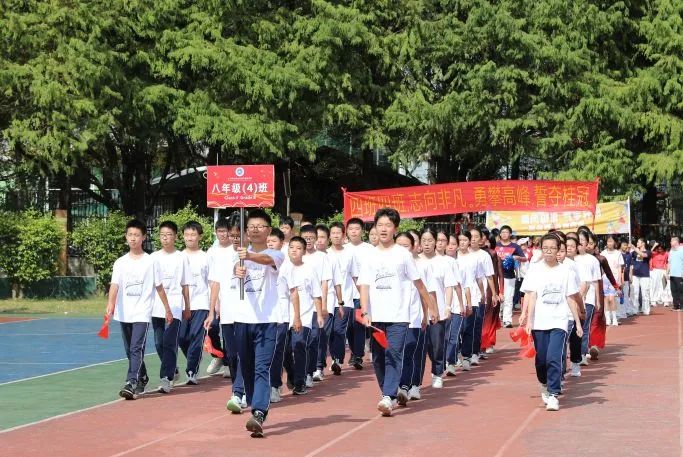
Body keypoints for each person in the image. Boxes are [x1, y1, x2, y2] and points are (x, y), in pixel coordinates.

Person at [358, 208, 436, 417]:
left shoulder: (403, 255)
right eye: (380, 225)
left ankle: (387, 396)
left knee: (393, 353)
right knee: (378, 358)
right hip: (376, 316)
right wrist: (365, 312)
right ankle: (388, 393)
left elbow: (419, 284)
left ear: (396, 228)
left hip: (399, 316)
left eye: (388, 225)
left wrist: (431, 308)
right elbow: (364, 285)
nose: (383, 229)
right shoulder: (369, 255)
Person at [228, 209, 285, 438]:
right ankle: (254, 403)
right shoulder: (239, 256)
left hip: (266, 321)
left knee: (262, 367)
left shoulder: (276, 254)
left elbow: (268, 261)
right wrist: (237, 270)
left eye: (260, 226)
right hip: (242, 319)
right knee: (246, 366)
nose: (255, 229)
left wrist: (249, 256)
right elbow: (234, 278)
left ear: (269, 230)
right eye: (251, 226)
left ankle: (259, 412)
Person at [107, 219, 170, 400]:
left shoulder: (151, 261)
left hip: (142, 311)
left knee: (136, 347)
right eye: (130, 235)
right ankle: (142, 376)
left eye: (136, 235)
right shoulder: (120, 262)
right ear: (126, 237)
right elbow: (114, 285)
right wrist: (111, 303)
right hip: (124, 311)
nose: (133, 238)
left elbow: (159, 287)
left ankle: (131, 382)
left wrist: (167, 309)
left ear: (143, 237)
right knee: (129, 349)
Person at [524, 234, 583, 411]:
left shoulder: (566, 272)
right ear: (541, 249)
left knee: (554, 357)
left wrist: (578, 323)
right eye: (545, 248)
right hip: (540, 322)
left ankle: (553, 394)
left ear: (558, 250)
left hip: (559, 321)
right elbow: (532, 295)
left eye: (552, 248)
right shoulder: (535, 270)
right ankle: (544, 383)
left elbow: (570, 297)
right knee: (542, 359)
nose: (549, 251)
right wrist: (529, 320)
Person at [151, 221, 191, 394]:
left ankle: (166, 378)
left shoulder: (181, 257)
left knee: (169, 342)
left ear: (175, 237)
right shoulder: (153, 257)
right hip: (156, 306)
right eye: (162, 235)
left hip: (174, 305)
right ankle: (173, 369)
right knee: (159, 342)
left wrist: (187, 307)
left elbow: (185, 284)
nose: (165, 238)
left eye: (168, 235)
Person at [418, 228, 458, 389]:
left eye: (430, 240)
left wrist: (447, 306)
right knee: (420, 347)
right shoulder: (415, 261)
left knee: (436, 345)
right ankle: (415, 381)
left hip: (438, 310)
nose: (427, 244)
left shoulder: (443, 262)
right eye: (424, 240)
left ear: (435, 242)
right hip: (417, 312)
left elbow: (449, 286)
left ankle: (437, 373)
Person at [396, 232, 432, 403]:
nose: (402, 249)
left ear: (413, 247)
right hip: (392, 317)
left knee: (410, 351)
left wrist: (426, 314)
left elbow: (424, 292)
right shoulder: (388, 265)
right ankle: (394, 386)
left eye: (405, 246)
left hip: (413, 317)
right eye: (399, 245)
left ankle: (408, 386)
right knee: (394, 353)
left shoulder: (421, 266)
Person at [287, 236, 324, 395]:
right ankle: (292, 374)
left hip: (305, 315)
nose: (294, 251)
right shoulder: (282, 267)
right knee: (285, 350)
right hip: (283, 315)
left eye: (298, 248)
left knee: (299, 345)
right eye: (291, 247)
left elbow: (316, 294)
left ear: (303, 251)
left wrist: (319, 315)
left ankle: (300, 382)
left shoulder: (309, 269)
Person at [205, 216, 240, 377]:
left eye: (227, 232)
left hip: (238, 304)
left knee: (235, 339)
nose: (224, 235)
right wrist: (214, 306)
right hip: (219, 299)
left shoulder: (241, 251)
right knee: (213, 328)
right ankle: (220, 357)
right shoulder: (213, 252)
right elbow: (213, 280)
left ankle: (230, 364)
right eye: (220, 231)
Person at [300, 225, 332, 388]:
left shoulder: (322, 257)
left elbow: (324, 282)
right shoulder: (295, 255)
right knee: (300, 341)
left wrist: (323, 305)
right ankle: (300, 372)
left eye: (311, 237)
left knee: (313, 339)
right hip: (298, 305)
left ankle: (309, 372)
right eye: (305, 237)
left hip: (315, 305)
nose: (308, 240)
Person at [178, 221, 210, 385]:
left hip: (201, 303)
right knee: (181, 337)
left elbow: (212, 281)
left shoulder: (206, 257)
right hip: (181, 304)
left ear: (200, 236)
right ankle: (194, 357)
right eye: (187, 234)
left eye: (193, 234)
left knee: (196, 338)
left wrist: (213, 306)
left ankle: (191, 371)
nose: (190, 238)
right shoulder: (178, 257)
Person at [312, 224, 343, 381]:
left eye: (322, 237)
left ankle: (318, 367)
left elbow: (337, 282)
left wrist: (340, 303)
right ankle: (310, 366)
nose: (319, 240)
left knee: (322, 334)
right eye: (316, 237)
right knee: (312, 336)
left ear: (328, 239)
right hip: (309, 302)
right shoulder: (305, 256)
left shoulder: (332, 258)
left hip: (328, 302)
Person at [327, 222, 358, 374]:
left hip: (345, 299)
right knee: (329, 332)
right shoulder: (325, 254)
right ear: (329, 236)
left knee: (339, 330)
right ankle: (334, 357)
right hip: (327, 300)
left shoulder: (349, 254)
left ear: (343, 235)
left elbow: (355, 276)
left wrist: (362, 297)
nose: (336, 236)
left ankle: (337, 360)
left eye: (338, 233)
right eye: (333, 233)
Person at [345, 218, 374, 369]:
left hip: (361, 294)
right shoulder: (343, 249)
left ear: (362, 231)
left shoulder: (369, 249)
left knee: (358, 325)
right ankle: (354, 351)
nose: (354, 232)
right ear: (347, 231)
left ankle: (358, 355)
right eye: (351, 229)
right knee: (348, 327)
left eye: (357, 229)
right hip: (345, 295)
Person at [445, 232, 474, 375]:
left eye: (453, 244)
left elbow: (466, 286)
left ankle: (450, 363)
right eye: (448, 244)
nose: (450, 246)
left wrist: (467, 304)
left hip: (457, 304)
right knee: (442, 337)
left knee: (454, 335)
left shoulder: (462, 264)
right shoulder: (437, 262)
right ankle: (443, 361)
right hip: (440, 305)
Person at [267, 228, 289, 403]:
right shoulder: (257, 260)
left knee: (277, 350)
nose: (270, 244)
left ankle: (275, 385)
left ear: (281, 243)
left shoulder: (283, 259)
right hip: (263, 315)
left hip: (281, 313)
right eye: (267, 241)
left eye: (273, 241)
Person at [574, 230, 601, 364]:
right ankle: (574, 353)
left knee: (584, 326)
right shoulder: (571, 259)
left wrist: (598, 300)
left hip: (588, 298)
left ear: (587, 243)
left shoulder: (593, 260)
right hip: (573, 298)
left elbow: (595, 281)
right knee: (573, 327)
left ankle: (583, 354)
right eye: (577, 241)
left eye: (582, 240)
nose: (580, 243)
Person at [495, 225, 526, 327]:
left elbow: (524, 258)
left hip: (509, 276)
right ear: (500, 234)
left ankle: (507, 320)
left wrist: (516, 257)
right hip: (496, 276)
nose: (504, 234)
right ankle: (496, 318)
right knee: (497, 298)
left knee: (508, 298)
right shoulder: (496, 245)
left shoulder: (515, 246)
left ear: (510, 234)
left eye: (506, 232)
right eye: (502, 232)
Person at [600, 235, 624, 326]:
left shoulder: (618, 253)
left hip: (614, 278)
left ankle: (614, 318)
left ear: (615, 243)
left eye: (611, 241)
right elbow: (601, 267)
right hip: (605, 278)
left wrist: (619, 280)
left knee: (612, 298)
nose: (609, 243)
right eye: (608, 241)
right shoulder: (603, 253)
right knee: (606, 298)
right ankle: (607, 318)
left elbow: (620, 268)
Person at [630, 237, 652, 315]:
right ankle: (634, 310)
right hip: (635, 275)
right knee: (634, 292)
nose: (637, 243)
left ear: (643, 243)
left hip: (644, 275)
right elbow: (630, 261)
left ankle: (646, 309)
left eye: (638, 242)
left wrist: (634, 248)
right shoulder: (633, 253)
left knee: (645, 292)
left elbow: (643, 255)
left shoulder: (648, 252)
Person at [650, 242, 672, 307]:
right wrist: (654, 245)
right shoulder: (654, 253)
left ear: (663, 248)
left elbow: (669, 262)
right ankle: (653, 301)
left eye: (661, 249)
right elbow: (648, 253)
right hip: (655, 270)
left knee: (664, 286)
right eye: (658, 249)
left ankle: (666, 301)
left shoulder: (666, 254)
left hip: (663, 270)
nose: (660, 250)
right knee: (654, 286)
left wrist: (667, 272)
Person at [620, 239, 634, 317]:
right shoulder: (618, 254)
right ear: (620, 245)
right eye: (624, 245)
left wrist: (631, 276)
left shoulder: (629, 255)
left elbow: (631, 267)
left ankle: (626, 310)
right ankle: (620, 311)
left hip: (626, 278)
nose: (625, 247)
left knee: (626, 295)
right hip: (619, 278)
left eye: (626, 245)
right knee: (619, 295)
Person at [668, 236, 682, 311]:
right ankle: (676, 306)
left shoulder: (682, 250)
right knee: (673, 290)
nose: (670, 242)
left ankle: (682, 306)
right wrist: (667, 272)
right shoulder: (671, 251)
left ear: (676, 242)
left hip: (680, 274)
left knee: (681, 291)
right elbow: (669, 262)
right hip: (672, 275)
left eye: (671, 241)